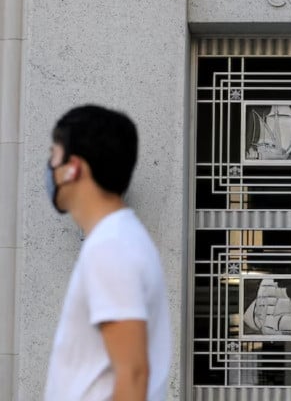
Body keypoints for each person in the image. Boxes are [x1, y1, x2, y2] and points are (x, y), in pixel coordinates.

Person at [43, 105, 171, 401]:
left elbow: (133, 376)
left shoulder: (111, 247)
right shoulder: (118, 239)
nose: (49, 167)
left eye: (54, 155)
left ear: (74, 167)